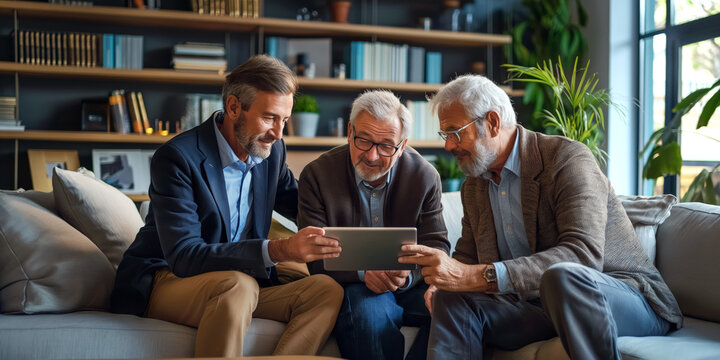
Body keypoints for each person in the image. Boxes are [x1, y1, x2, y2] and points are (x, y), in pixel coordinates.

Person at [398, 74, 682, 360]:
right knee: (451, 297)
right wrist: (443, 283)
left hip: (624, 297)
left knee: (562, 276)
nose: (448, 146)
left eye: (455, 132)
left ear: (493, 123)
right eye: (445, 135)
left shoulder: (567, 159)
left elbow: (582, 257)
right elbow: (468, 258)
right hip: (536, 307)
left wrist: (478, 276)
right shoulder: (474, 186)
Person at [110, 55, 344, 358]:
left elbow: (306, 208)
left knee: (326, 290)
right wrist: (280, 250)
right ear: (234, 107)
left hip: (240, 281)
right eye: (270, 118)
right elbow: (184, 256)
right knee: (238, 286)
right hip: (169, 280)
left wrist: (359, 232)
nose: (278, 133)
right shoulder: (178, 159)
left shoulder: (270, 152)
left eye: (284, 120)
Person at [297, 90, 451, 360]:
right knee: (369, 316)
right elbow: (314, 256)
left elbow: (437, 244)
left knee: (456, 310)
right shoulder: (317, 175)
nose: (373, 156)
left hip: (412, 284)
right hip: (355, 285)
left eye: (387, 146)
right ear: (349, 132)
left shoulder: (425, 176)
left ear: (402, 146)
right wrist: (362, 273)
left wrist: (407, 276)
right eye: (363, 141)